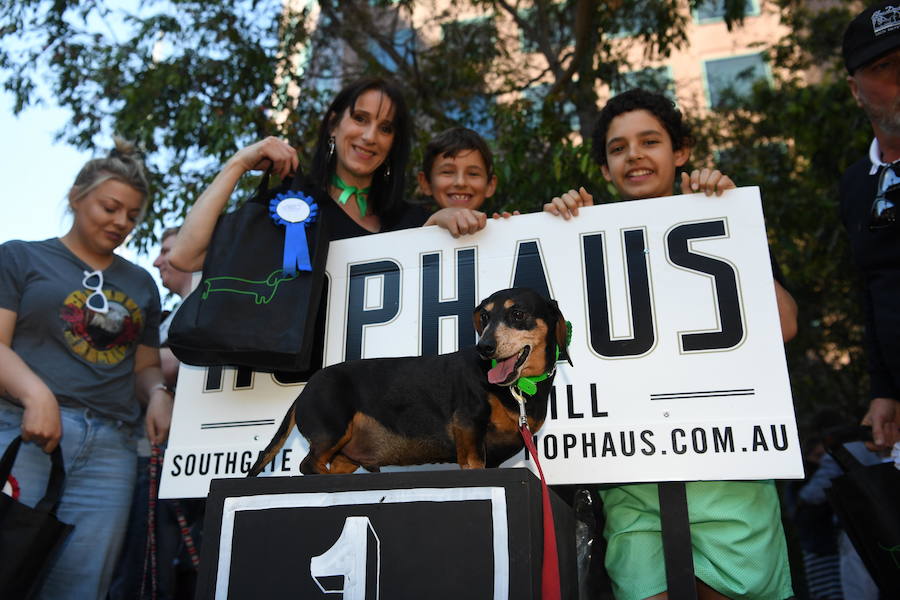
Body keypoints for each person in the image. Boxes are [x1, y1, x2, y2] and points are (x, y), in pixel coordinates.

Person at [545, 89, 796, 600]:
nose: (634, 155)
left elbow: (785, 325)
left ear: (680, 152)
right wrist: (561, 235)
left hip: (727, 472)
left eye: (649, 141)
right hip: (630, 478)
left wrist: (726, 223)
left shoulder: (720, 223)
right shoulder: (581, 237)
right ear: (607, 167)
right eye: (618, 148)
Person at [0, 138, 173, 599]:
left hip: (111, 453)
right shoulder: (19, 257)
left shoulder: (141, 284)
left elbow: (145, 367)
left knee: (83, 585)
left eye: (132, 216)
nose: (121, 223)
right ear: (77, 197)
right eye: (110, 207)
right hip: (24, 433)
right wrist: (37, 395)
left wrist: (157, 394)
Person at [169, 77, 430, 275]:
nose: (370, 136)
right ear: (333, 124)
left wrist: (444, 220)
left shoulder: (415, 221)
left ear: (394, 143)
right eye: (360, 119)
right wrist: (237, 164)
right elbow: (185, 256)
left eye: (385, 128)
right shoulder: (287, 207)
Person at [109, 226, 199, 600]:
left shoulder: (205, 304)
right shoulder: (172, 316)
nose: (159, 260)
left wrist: (126, 359)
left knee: (156, 574)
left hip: (177, 465)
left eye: (168, 251)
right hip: (148, 457)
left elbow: (184, 355)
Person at [840, 0, 900, 455]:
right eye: (885, 66)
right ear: (856, 89)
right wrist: (884, 389)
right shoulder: (857, 183)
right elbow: (870, 286)